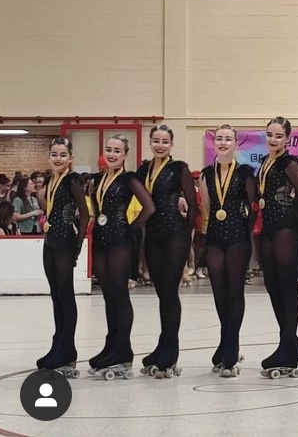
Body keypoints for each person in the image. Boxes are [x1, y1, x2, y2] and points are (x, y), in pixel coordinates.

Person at [88, 135, 155, 379]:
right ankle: (111, 346)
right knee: (108, 295)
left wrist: (130, 227)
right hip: (101, 240)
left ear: (126, 154)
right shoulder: (97, 180)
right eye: (109, 150)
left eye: (117, 151)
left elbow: (149, 207)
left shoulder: (129, 179)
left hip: (120, 242)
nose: (112, 154)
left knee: (119, 294)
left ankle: (123, 350)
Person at [136, 125, 198, 378]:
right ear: (150, 142)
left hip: (175, 235)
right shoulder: (144, 170)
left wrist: (186, 235)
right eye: (156, 140)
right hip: (153, 236)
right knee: (162, 293)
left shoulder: (178, 168)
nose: (160, 145)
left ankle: (170, 352)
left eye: (164, 141)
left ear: (171, 144)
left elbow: (193, 205)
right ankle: (163, 345)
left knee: (170, 293)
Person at [199, 124, 257, 377]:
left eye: (228, 139)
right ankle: (225, 342)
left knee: (234, 291)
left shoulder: (245, 172)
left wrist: (245, 231)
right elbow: (207, 208)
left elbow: (253, 207)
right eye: (219, 138)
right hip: (215, 237)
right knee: (219, 293)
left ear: (236, 143)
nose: (223, 142)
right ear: (214, 143)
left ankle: (231, 348)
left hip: (238, 237)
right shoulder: (206, 174)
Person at [257, 117, 298, 376]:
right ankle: (291, 342)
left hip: (286, 227)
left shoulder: (290, 163)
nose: (273, 139)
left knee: (287, 285)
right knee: (272, 285)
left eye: (279, 136)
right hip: (268, 227)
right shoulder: (265, 162)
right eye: (270, 134)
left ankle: (287, 347)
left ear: (288, 138)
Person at [35, 137, 90, 376]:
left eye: (62, 155)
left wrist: (78, 246)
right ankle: (58, 345)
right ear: (49, 157)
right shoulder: (51, 179)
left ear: (70, 158)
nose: (58, 159)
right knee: (56, 294)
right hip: (50, 242)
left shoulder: (73, 180)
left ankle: (68, 349)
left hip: (66, 242)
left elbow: (84, 214)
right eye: (54, 154)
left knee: (66, 295)